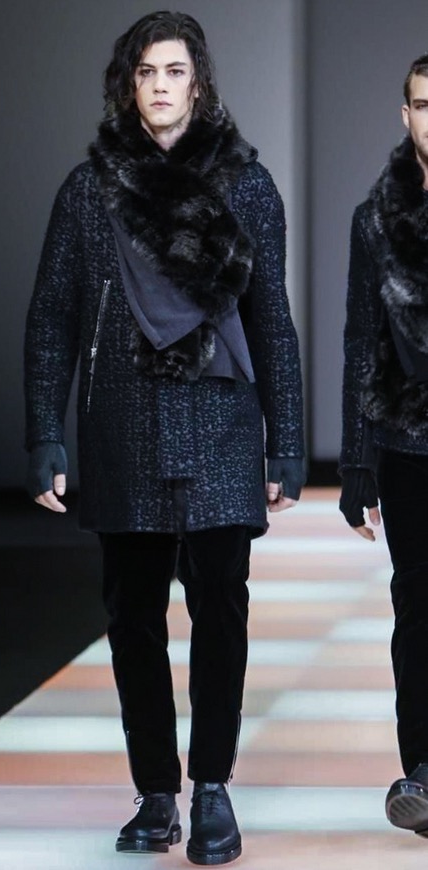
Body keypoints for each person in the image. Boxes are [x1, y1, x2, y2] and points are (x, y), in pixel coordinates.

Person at [24, 11, 305, 865]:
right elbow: (53, 315)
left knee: (221, 608)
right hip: (124, 422)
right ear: (128, 83)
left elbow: (271, 319)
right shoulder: (89, 190)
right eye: (145, 71)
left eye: (174, 71)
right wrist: (44, 432)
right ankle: (156, 791)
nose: (158, 85)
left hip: (220, 422)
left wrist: (287, 442)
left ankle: (211, 787)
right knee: (133, 616)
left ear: (198, 83)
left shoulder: (246, 186)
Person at [339, 53, 428, 839]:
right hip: (408, 443)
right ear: (404, 115)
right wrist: (355, 461)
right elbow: (360, 341)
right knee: (418, 605)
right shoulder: (375, 219)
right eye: (424, 104)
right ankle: (423, 771)